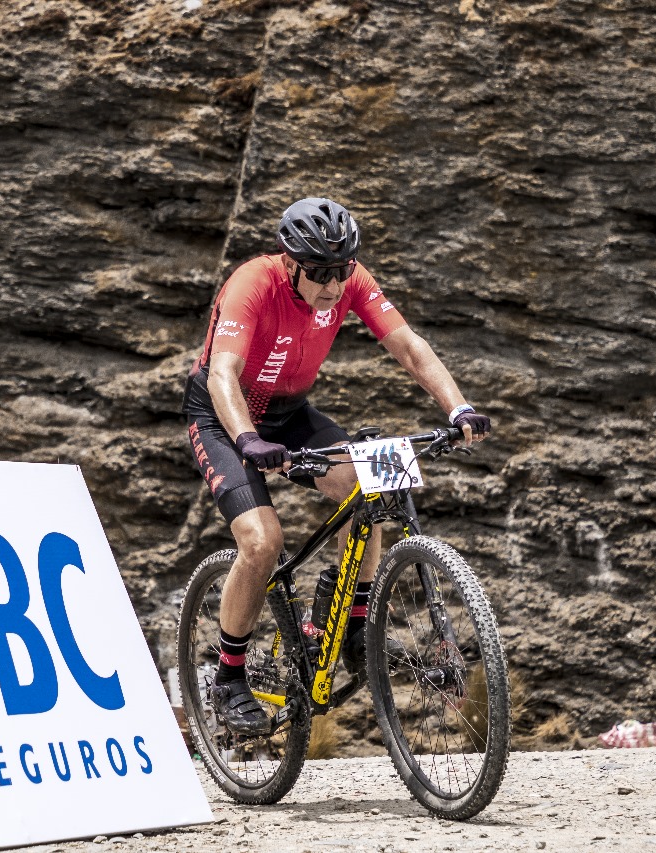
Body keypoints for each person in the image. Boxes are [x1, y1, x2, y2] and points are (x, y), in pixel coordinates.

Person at [181, 197, 492, 735]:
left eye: (341, 268)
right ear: (290, 262)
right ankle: (229, 676)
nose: (332, 283)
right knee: (261, 541)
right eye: (320, 271)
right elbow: (222, 375)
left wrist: (457, 407)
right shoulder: (252, 283)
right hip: (224, 416)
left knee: (367, 486)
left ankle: (349, 624)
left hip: (290, 413)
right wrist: (248, 439)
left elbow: (410, 348)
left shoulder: (351, 280)